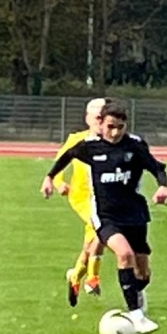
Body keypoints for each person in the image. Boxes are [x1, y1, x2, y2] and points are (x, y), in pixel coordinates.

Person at [40, 100, 167, 334]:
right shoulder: (90, 147)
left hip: (135, 214)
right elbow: (66, 156)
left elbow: (157, 167)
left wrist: (163, 187)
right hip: (105, 215)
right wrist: (50, 178)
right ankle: (136, 316)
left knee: (142, 273)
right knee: (124, 254)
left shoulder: (135, 146)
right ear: (100, 124)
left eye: (120, 127)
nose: (115, 132)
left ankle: (136, 291)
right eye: (111, 126)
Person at [52, 97, 107, 306]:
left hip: (105, 197)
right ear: (88, 119)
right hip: (82, 196)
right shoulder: (77, 140)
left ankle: (75, 275)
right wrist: (58, 183)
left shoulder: (113, 141)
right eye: (97, 117)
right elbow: (59, 161)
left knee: (93, 239)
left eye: (104, 117)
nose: (101, 122)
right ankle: (92, 278)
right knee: (99, 228)